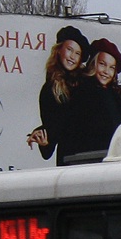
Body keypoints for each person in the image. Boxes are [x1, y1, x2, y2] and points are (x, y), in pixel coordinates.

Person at [63, 38, 121, 163]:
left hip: (112, 161)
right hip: (88, 161)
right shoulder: (82, 92)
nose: (106, 71)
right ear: (93, 64)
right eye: (102, 64)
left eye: (111, 67)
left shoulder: (115, 96)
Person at [26, 25, 89, 164]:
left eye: (77, 53)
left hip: (93, 155)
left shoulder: (87, 83)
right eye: (69, 49)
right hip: (69, 157)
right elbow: (55, 128)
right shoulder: (50, 90)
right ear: (59, 50)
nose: (72, 57)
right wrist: (43, 139)